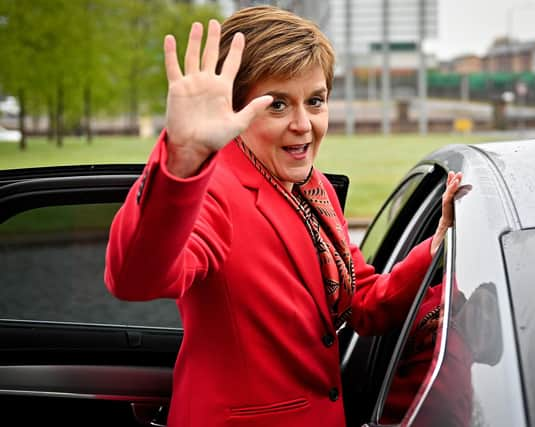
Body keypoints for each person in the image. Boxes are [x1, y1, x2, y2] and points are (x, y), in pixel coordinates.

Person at [104, 5, 463, 427]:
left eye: (315, 101)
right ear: (233, 110)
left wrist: (437, 242)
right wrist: (183, 159)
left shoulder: (316, 189)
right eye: (277, 105)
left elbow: (364, 303)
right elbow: (136, 278)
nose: (303, 124)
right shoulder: (215, 190)